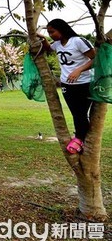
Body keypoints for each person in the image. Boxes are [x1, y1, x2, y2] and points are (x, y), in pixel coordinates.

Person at [39, 18, 96, 154]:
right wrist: (43, 39)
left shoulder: (78, 41)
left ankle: (80, 139)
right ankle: (81, 139)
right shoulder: (58, 44)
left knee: (80, 113)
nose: (51, 35)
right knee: (76, 113)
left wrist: (79, 70)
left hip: (84, 82)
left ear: (62, 29)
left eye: (52, 32)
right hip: (67, 84)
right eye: (49, 32)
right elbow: (48, 49)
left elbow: (96, 59)